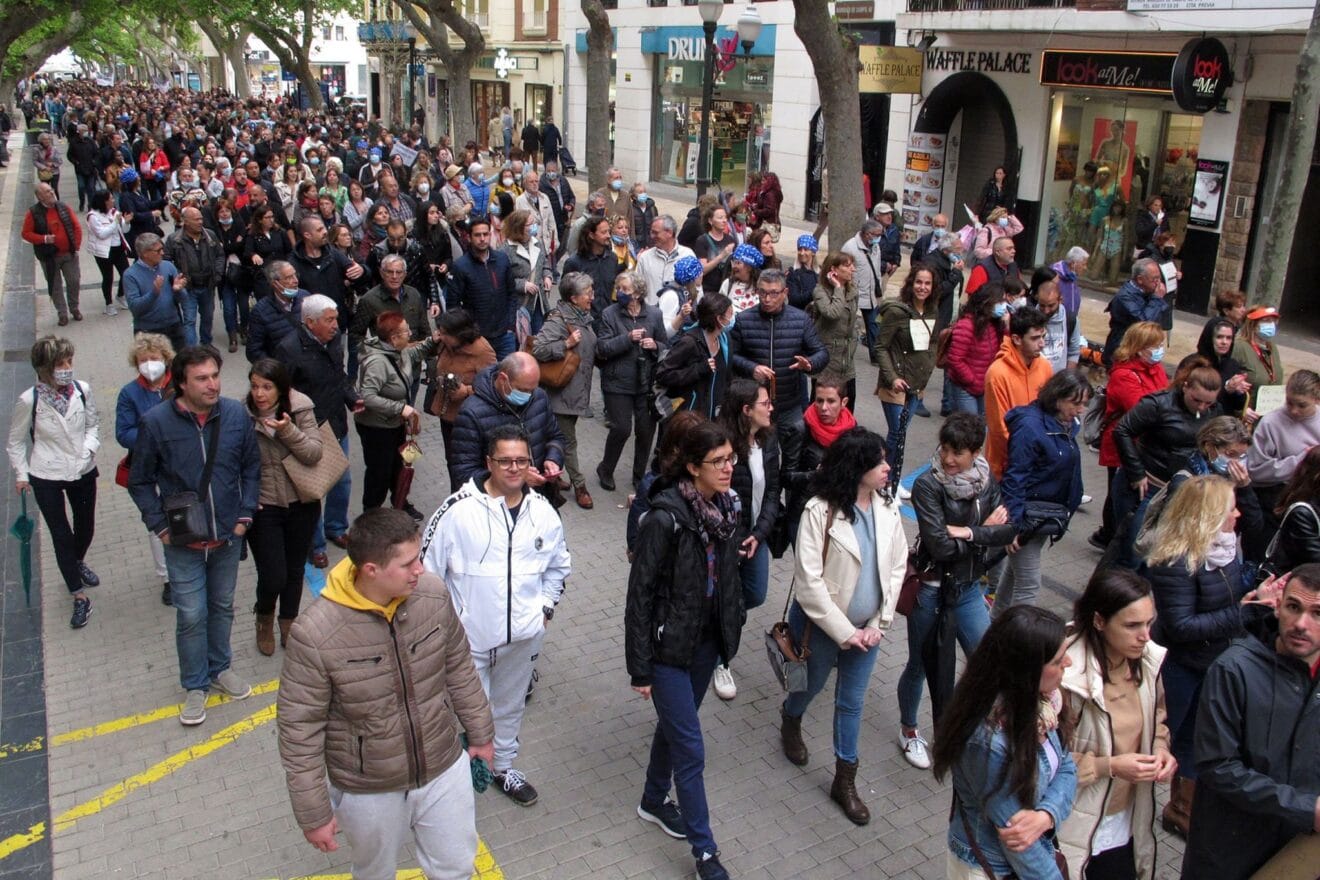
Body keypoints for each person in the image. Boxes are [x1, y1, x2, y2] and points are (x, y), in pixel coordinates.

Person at [277, 507, 496, 880]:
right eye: (408, 563)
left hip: (443, 766)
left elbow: (458, 666)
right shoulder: (315, 634)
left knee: (457, 868)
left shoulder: (432, 596)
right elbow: (300, 731)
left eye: (419, 558)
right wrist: (314, 813)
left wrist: (481, 734)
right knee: (374, 873)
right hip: (368, 788)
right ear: (371, 571)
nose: (421, 570)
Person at [422, 425, 570, 808]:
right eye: (505, 460)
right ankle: (458, 775)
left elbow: (558, 567)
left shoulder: (543, 513)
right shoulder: (456, 510)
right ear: (489, 463)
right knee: (470, 713)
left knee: (509, 707)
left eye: (522, 460)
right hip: (466, 643)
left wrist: (544, 610)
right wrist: (442, 629)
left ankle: (503, 768)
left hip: (522, 639)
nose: (514, 468)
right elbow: (427, 574)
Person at [625, 420, 745, 880]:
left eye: (731, 459)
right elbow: (639, 598)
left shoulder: (728, 510)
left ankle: (653, 800)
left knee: (675, 730)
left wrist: (731, 623)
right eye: (718, 462)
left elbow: (726, 578)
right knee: (691, 749)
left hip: (706, 645)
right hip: (668, 651)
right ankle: (706, 853)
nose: (728, 468)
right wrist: (640, 669)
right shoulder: (665, 518)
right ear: (693, 467)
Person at [127, 345, 260, 726]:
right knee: (191, 613)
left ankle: (220, 669)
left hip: (227, 536)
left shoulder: (235, 414)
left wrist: (244, 514)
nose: (212, 384)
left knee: (221, 607)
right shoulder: (156, 423)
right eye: (202, 378)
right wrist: (160, 526)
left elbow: (252, 468)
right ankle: (195, 685)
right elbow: (140, 480)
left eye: (216, 375)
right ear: (181, 383)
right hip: (183, 541)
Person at [780, 427, 906, 826]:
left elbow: (897, 565)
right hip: (823, 628)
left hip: (868, 633)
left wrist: (876, 625)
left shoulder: (887, 506)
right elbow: (809, 583)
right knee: (810, 686)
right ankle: (790, 717)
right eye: (879, 462)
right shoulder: (820, 511)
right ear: (857, 468)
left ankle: (844, 782)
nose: (887, 468)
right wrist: (845, 632)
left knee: (851, 702)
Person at [1180, 565, 1320, 880]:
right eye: (1294, 607)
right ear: (1279, 604)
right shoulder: (1233, 670)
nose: (1301, 624)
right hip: (1230, 855)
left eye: (1318, 613)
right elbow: (1217, 767)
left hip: (1299, 853)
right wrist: (1306, 808)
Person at [1142, 475, 1256, 839]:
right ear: (1209, 515)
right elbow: (1181, 626)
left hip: (1212, 663)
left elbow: (1230, 593)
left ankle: (1184, 808)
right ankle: (1175, 808)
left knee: (1197, 738)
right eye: (1231, 507)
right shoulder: (1175, 561)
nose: (1237, 514)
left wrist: (1258, 589)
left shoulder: (1224, 548)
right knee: (1176, 737)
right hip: (1182, 668)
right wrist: (1243, 613)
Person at [901, 413, 1015, 768]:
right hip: (932, 590)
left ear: (976, 453)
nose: (948, 459)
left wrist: (966, 532)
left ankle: (963, 726)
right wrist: (983, 532)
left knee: (985, 660)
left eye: (958, 453)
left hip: (966, 589)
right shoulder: (927, 486)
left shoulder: (985, 480)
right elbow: (940, 548)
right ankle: (909, 729)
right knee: (921, 665)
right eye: (945, 449)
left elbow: (1006, 535)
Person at [931, 605, 1077, 880]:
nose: (1067, 663)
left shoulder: (1044, 705)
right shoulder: (988, 743)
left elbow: (1068, 768)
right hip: (992, 868)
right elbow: (1019, 843)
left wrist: (1045, 816)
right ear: (1028, 671)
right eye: (1058, 661)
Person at [1057, 570, 1176, 879]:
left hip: (1125, 821)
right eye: (1132, 625)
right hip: (1073, 824)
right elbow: (1041, 764)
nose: (1145, 636)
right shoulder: (1066, 677)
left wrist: (1161, 747)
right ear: (1099, 621)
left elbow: (1157, 715)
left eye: (1149, 623)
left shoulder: (1148, 661)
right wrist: (1107, 766)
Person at [6, 336, 100, 629]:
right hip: (46, 474)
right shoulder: (28, 400)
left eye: (69, 361)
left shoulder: (82, 391)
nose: (67, 368)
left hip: (82, 469)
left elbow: (92, 425)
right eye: (61, 363)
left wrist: (88, 450)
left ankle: (76, 561)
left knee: (85, 527)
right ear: (45, 368)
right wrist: (22, 475)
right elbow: (15, 442)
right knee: (61, 534)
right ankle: (79, 596)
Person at [1111, 355, 1223, 568]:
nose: (1201, 407)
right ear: (1185, 387)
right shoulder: (1159, 404)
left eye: (1208, 403)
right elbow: (1122, 430)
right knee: (1132, 552)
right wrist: (1136, 472)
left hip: (1178, 490)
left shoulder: (1214, 411)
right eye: (1196, 400)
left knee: (1157, 559)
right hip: (1147, 486)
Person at [244, 358, 322, 655]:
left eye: (267, 387)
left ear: (281, 388)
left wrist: (287, 431)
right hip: (265, 505)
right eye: (254, 386)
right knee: (273, 573)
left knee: (294, 569)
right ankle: (264, 617)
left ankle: (288, 621)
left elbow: (314, 453)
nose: (259, 394)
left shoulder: (300, 408)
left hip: (301, 500)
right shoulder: (242, 415)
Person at [995, 369, 1090, 614]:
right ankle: (1016, 641)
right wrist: (1013, 527)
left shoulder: (1063, 424)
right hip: (1027, 518)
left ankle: (991, 632)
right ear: (1058, 398)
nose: (1080, 410)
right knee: (1028, 584)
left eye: (1084, 404)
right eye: (1075, 403)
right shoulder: (1031, 427)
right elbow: (1015, 477)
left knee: (1013, 578)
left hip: (1040, 516)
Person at [275, 294, 361, 563]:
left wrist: (351, 397)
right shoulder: (288, 349)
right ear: (310, 323)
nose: (336, 325)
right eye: (330, 320)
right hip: (309, 430)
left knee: (342, 482)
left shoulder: (334, 341)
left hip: (336, 423)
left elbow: (340, 376)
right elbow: (283, 392)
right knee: (313, 489)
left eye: (335, 319)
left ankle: (336, 528)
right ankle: (315, 545)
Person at [709, 379, 780, 700]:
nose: (771, 409)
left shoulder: (768, 441)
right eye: (765, 404)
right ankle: (720, 658)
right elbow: (715, 498)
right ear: (746, 410)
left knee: (753, 593)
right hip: (726, 540)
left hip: (756, 536)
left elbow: (773, 492)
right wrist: (736, 538)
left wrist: (759, 533)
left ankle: (719, 626)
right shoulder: (721, 446)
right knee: (728, 597)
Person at [1092, 322, 1169, 550]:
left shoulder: (1156, 369)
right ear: (1138, 347)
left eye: (1160, 344)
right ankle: (1110, 534)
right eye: (1153, 345)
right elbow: (1139, 409)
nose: (1159, 349)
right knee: (1118, 491)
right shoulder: (1124, 374)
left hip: (1144, 443)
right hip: (1123, 445)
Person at [355, 312, 439, 518]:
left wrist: (432, 341)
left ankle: (399, 503)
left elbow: (414, 353)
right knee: (379, 472)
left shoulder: (399, 351)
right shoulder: (376, 362)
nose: (410, 333)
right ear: (393, 338)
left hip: (395, 425)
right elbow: (366, 396)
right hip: (377, 428)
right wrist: (400, 408)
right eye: (406, 331)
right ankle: (372, 515)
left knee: (397, 465)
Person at [115, 333, 176, 606]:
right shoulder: (129, 393)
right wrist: (150, 440)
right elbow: (123, 433)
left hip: (176, 465)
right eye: (144, 360)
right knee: (156, 524)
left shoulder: (178, 385)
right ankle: (166, 578)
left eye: (154, 359)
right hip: (147, 467)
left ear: (165, 359)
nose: (150, 364)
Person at [448, 353, 566, 492]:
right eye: (523, 390)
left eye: (532, 389)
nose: (529, 396)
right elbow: (463, 473)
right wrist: (518, 478)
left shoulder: (539, 397)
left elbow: (555, 437)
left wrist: (553, 459)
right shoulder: (471, 414)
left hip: (539, 498)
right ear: (503, 379)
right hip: (498, 505)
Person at [531, 273, 599, 509]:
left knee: (557, 436)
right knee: (569, 442)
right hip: (559, 394)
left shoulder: (583, 317)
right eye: (588, 293)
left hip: (576, 392)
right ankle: (580, 485)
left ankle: (553, 473)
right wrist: (565, 345)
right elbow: (538, 348)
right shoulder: (558, 320)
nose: (592, 296)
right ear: (573, 298)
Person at [596, 272, 666, 492]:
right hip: (617, 382)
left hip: (646, 383)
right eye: (618, 288)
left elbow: (666, 344)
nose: (620, 293)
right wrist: (627, 339)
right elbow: (603, 348)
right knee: (622, 428)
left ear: (637, 293)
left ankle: (638, 476)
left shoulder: (654, 314)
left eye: (625, 289)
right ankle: (606, 469)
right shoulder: (610, 314)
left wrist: (655, 345)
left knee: (645, 432)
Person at [875, 263, 941, 483]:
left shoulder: (933, 310)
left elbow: (931, 343)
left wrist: (928, 368)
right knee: (897, 434)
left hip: (917, 384)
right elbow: (880, 347)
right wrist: (892, 377)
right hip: (895, 384)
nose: (922, 287)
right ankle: (887, 480)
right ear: (911, 283)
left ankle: (889, 478)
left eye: (927, 283)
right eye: (918, 282)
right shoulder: (896, 312)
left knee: (900, 435)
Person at [1246, 368, 1320, 533]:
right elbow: (1255, 470)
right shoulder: (1271, 422)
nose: (1294, 410)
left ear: (1316, 399)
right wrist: (1300, 462)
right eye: (1289, 402)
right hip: (1276, 499)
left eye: (1302, 405)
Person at [984, 307, 1052, 480]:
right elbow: (999, 429)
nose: (1042, 343)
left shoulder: (1044, 367)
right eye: (1035, 338)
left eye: (1043, 336)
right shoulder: (998, 373)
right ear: (1016, 339)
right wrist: (1028, 456)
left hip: (1036, 465)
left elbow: (1051, 413)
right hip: (1005, 468)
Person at [446, 218, 520, 359]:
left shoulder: (502, 260)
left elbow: (512, 294)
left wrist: (510, 325)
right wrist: (468, 333)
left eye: (485, 234)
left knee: (508, 377)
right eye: (477, 235)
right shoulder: (461, 266)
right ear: (469, 237)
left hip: (505, 335)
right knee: (483, 379)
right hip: (478, 338)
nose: (482, 239)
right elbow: (453, 306)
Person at [656, 292, 734, 422]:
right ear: (719, 319)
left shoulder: (725, 341)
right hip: (688, 417)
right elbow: (663, 375)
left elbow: (726, 378)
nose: (732, 318)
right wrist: (697, 370)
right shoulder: (689, 342)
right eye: (730, 314)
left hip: (715, 416)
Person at [23, 182, 83, 326]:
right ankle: (62, 313)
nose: (51, 193)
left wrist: (76, 246)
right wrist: (43, 239)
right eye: (47, 192)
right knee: (55, 286)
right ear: (39, 196)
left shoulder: (63, 207)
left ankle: (74, 307)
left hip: (69, 254)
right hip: (49, 257)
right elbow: (26, 233)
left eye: (51, 190)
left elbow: (76, 227)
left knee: (74, 281)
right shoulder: (33, 213)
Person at [349, 253, 432, 358]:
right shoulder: (369, 300)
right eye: (389, 272)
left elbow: (425, 330)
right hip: (386, 364)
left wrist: (428, 356)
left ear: (405, 274)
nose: (394, 276)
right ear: (381, 273)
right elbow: (355, 335)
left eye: (399, 272)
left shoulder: (413, 294)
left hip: (413, 361)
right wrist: (374, 352)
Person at [165, 206, 225, 347]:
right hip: (188, 288)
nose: (200, 222)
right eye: (196, 219)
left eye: (201, 218)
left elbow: (220, 255)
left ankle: (206, 344)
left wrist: (217, 274)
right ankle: (192, 351)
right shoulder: (174, 240)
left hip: (208, 285)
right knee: (189, 320)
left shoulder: (210, 235)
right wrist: (178, 277)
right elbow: (166, 261)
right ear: (185, 221)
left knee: (208, 317)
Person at [944, 285, 1006, 417]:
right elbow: (955, 360)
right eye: (999, 302)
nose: (1003, 306)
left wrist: (1007, 325)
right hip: (965, 387)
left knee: (983, 426)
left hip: (985, 385)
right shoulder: (966, 325)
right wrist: (972, 381)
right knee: (969, 427)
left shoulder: (992, 324)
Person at [123, 232, 188, 352]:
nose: (162, 253)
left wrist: (178, 290)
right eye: (158, 251)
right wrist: (154, 293)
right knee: (155, 369)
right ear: (144, 253)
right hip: (148, 332)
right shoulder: (130, 275)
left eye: (162, 249)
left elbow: (184, 299)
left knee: (180, 366)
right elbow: (135, 308)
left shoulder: (168, 266)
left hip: (174, 326)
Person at [1102, 259, 1169, 366]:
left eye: (1159, 278)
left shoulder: (1149, 292)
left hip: (1141, 350)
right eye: (1154, 279)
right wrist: (1156, 299)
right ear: (1140, 280)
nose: (1158, 283)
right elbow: (1144, 324)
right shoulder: (1125, 297)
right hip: (1123, 351)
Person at [839, 220, 886, 362]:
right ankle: (843, 353)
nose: (879, 238)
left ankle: (875, 356)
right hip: (854, 294)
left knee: (874, 325)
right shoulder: (850, 247)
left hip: (870, 295)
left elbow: (876, 269)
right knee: (849, 326)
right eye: (877, 235)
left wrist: (878, 288)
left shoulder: (876, 247)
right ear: (867, 234)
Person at [501, 208, 552, 336]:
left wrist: (547, 276)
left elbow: (544, 263)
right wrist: (522, 285)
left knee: (538, 337)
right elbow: (502, 278)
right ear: (518, 227)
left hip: (538, 302)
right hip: (519, 304)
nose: (534, 227)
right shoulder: (505, 250)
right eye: (530, 224)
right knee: (522, 338)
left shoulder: (537, 243)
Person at [246, 261, 307, 363]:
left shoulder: (306, 297)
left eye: (295, 275)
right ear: (275, 283)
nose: (295, 281)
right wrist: (275, 368)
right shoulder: (260, 311)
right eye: (289, 278)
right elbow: (253, 350)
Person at [1230, 305, 1285, 416]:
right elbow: (1227, 381)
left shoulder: (1271, 347)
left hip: (1268, 414)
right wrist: (1241, 410)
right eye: (1266, 321)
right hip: (1246, 415)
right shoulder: (1239, 347)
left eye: (1273, 321)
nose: (1271, 325)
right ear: (1253, 325)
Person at [86, 189, 130, 317]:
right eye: (110, 199)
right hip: (104, 251)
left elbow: (124, 230)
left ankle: (121, 295)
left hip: (118, 248)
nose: (113, 200)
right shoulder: (92, 216)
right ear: (103, 202)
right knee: (108, 277)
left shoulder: (114, 212)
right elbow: (101, 234)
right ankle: (108, 304)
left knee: (126, 273)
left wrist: (126, 222)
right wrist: (115, 222)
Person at [1029, 268, 1081, 376]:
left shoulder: (1070, 319)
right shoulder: (1029, 318)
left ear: (1060, 300)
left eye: (1051, 305)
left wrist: (1067, 379)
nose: (1046, 310)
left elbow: (1074, 351)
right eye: (1042, 305)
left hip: (1058, 382)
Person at [1195, 317, 1250, 416]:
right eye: (1219, 337)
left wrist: (1239, 391)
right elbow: (1196, 400)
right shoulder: (1194, 363)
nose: (1224, 342)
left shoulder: (1232, 365)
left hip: (1224, 424)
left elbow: (1238, 405)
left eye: (1229, 338)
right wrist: (1226, 389)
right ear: (1209, 338)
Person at [243, 204, 292, 302]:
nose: (271, 220)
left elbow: (289, 251)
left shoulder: (280, 232)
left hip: (282, 275)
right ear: (260, 220)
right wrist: (253, 255)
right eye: (267, 217)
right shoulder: (253, 235)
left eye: (272, 217)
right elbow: (247, 253)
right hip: (264, 277)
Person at [693, 205, 737, 298]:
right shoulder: (702, 240)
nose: (724, 220)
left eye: (725, 217)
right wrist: (722, 255)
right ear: (710, 221)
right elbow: (702, 270)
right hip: (708, 289)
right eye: (720, 218)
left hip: (725, 289)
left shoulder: (731, 240)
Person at [1051, 247, 1090, 320]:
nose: (1085, 268)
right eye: (1083, 264)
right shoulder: (1053, 277)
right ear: (1073, 264)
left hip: (1071, 321)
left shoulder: (1071, 276)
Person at [786, 235, 819, 311]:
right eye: (800, 249)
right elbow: (794, 299)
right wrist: (815, 291)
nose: (802, 253)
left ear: (813, 252)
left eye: (806, 249)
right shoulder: (793, 273)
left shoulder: (819, 272)